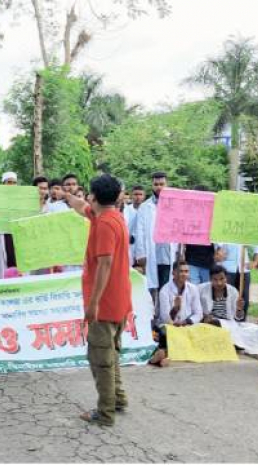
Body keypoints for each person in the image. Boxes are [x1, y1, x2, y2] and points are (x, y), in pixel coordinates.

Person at [64, 174, 131, 426]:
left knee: (100, 359)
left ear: (94, 196)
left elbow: (105, 265)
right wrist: (66, 196)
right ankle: (118, 399)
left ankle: (105, 413)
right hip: (119, 300)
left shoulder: (104, 224)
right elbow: (81, 207)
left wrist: (93, 303)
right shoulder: (112, 216)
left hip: (105, 303)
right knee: (111, 353)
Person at [150, 260, 203, 368]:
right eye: (181, 271)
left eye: (186, 271)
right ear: (173, 273)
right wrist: (175, 308)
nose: (184, 274)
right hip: (169, 326)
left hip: (187, 325)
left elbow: (198, 313)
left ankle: (163, 356)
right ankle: (161, 356)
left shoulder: (193, 289)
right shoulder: (164, 290)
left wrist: (187, 321)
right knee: (167, 333)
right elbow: (165, 318)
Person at [134, 172, 177, 300]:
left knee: (166, 287)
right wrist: (140, 253)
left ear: (167, 184)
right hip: (152, 253)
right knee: (151, 288)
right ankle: (152, 316)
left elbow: (179, 228)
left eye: (162, 184)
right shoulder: (145, 207)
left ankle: (164, 316)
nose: (159, 187)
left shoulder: (175, 205)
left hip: (168, 253)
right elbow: (139, 231)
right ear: (152, 186)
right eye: (156, 184)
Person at [217, 244, 258, 321]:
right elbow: (217, 242)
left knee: (244, 300)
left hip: (244, 267)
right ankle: (226, 325)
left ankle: (241, 324)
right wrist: (218, 251)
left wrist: (255, 261)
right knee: (226, 298)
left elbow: (257, 242)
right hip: (226, 267)